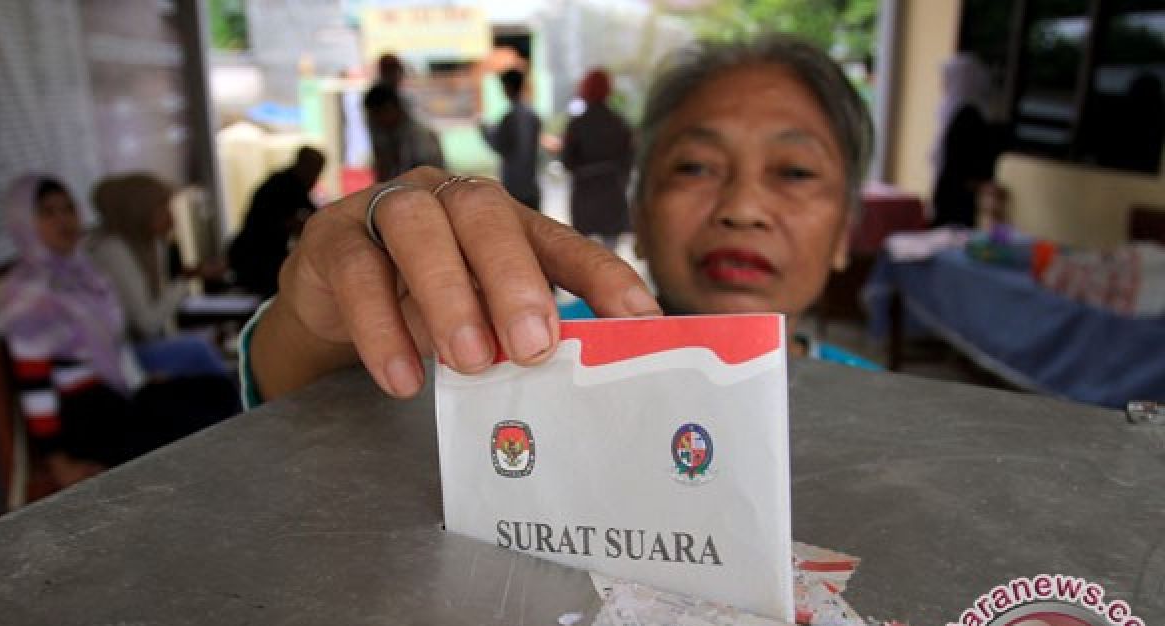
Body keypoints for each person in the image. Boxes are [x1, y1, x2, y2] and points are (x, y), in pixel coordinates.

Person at [243, 33, 873, 403]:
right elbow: (298, 399)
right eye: (695, 167)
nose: (741, 209)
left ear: (845, 229)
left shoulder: (900, 415)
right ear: (642, 212)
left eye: (794, 172)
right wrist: (317, 326)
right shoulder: (513, 353)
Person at [0, 176, 240, 487]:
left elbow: (115, 345)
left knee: (218, 391)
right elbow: (36, 387)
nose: (63, 220)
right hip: (83, 419)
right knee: (196, 424)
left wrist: (141, 381)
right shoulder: (28, 295)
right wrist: (59, 464)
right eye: (48, 212)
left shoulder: (84, 276)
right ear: (25, 222)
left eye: (69, 209)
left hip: (113, 397)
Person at [87, 173, 227, 378]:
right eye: (163, 208)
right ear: (139, 211)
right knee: (199, 350)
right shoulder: (113, 250)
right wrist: (186, 280)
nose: (171, 216)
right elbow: (147, 323)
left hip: (140, 345)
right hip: (121, 355)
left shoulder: (151, 244)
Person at [227, 146, 325, 298]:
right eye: (316, 171)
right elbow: (309, 220)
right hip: (256, 257)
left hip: (258, 256)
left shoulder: (287, 183)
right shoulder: (286, 185)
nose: (316, 178)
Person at [561, 68, 634, 249]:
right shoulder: (620, 124)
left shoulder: (577, 125)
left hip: (585, 197)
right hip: (612, 193)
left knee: (584, 255)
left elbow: (567, 162)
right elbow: (629, 161)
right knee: (611, 255)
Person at [931, 53, 998, 228]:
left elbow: (961, 158)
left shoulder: (968, 114)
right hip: (952, 188)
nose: (943, 84)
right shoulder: (956, 109)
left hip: (958, 192)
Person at [479, 68, 542, 210]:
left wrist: (485, 131)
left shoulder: (510, 118)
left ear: (507, 87)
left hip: (514, 186)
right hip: (531, 184)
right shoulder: (533, 115)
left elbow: (500, 145)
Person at [363, 83, 446, 183]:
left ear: (390, 107)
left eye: (377, 114)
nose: (376, 120)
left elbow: (428, 176)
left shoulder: (419, 136)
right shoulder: (383, 134)